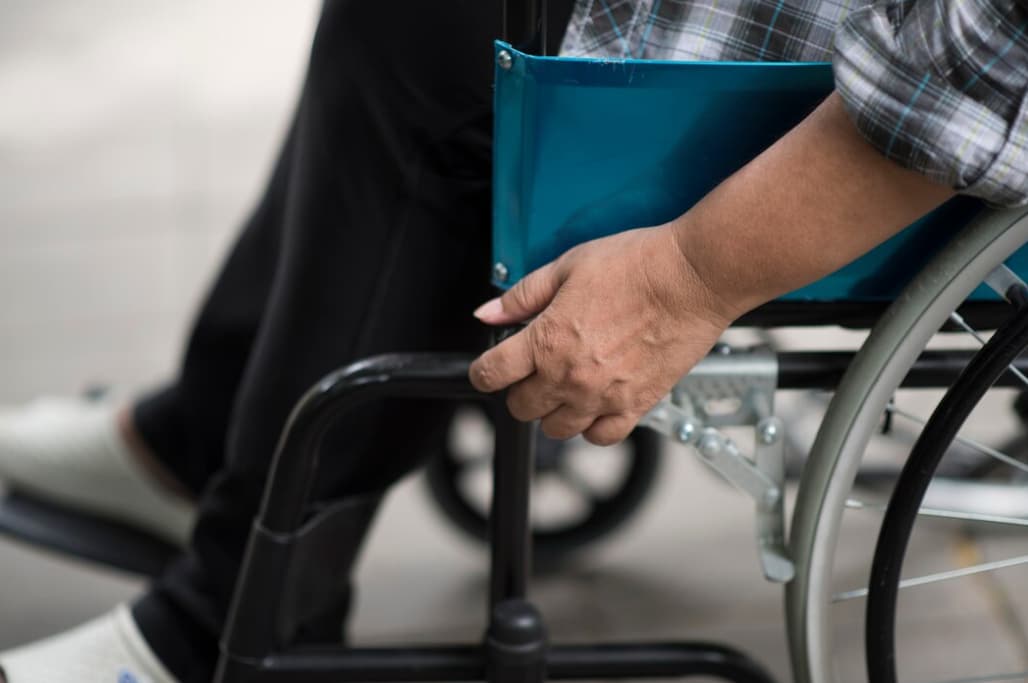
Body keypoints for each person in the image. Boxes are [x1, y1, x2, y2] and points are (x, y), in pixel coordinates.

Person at [0, 0, 1025, 680]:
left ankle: (227, 623)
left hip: (912, 120)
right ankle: (205, 440)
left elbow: (970, 81)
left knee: (430, 33)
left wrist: (685, 277)